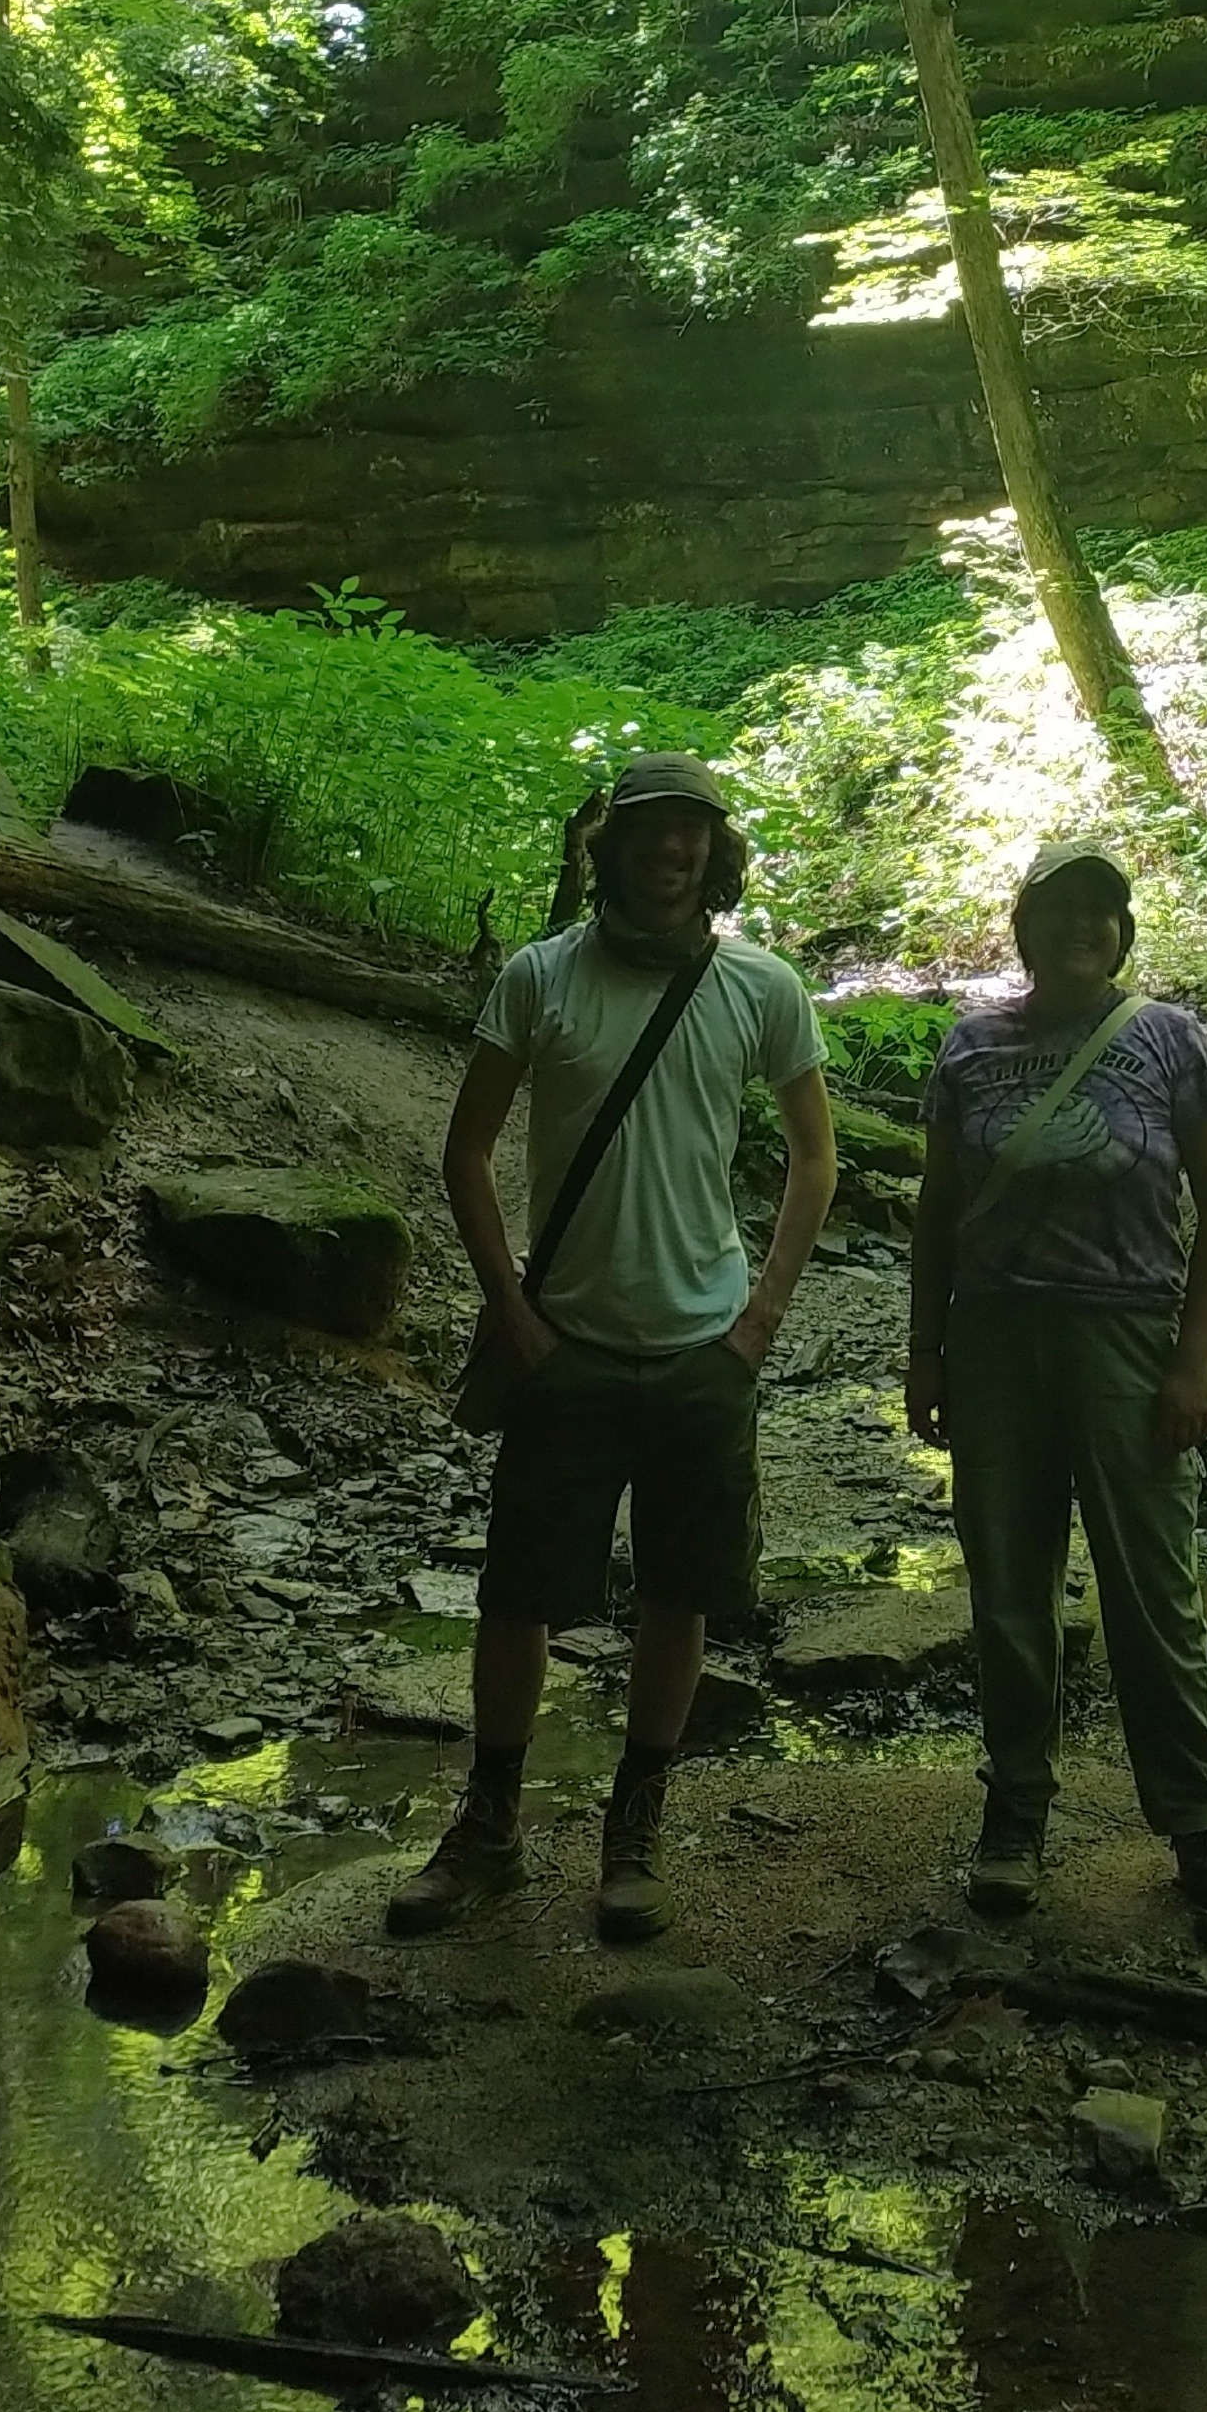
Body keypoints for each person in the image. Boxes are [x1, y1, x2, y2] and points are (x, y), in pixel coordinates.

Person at [393, 752, 835, 1947]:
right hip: (568, 1345)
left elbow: (814, 1156)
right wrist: (515, 1311)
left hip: (706, 1351)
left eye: (692, 831)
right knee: (518, 1596)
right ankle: (487, 1831)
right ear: (614, 848)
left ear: (716, 849)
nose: (672, 850)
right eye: (651, 831)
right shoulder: (541, 978)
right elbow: (467, 1148)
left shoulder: (761, 987)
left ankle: (632, 1834)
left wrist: (762, 1318)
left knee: (681, 1595)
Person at [906, 837, 1207, 1925]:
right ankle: (1015, 1814)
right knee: (1010, 1592)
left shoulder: (1169, 1042)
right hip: (994, 1346)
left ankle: (1200, 1822)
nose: (1084, 927)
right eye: (1063, 910)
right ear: (1022, 926)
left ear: (1123, 933)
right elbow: (935, 1212)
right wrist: (925, 1347)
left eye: (1103, 914)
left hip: (1127, 1340)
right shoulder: (969, 1049)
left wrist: (1194, 1357)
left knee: (1152, 1591)